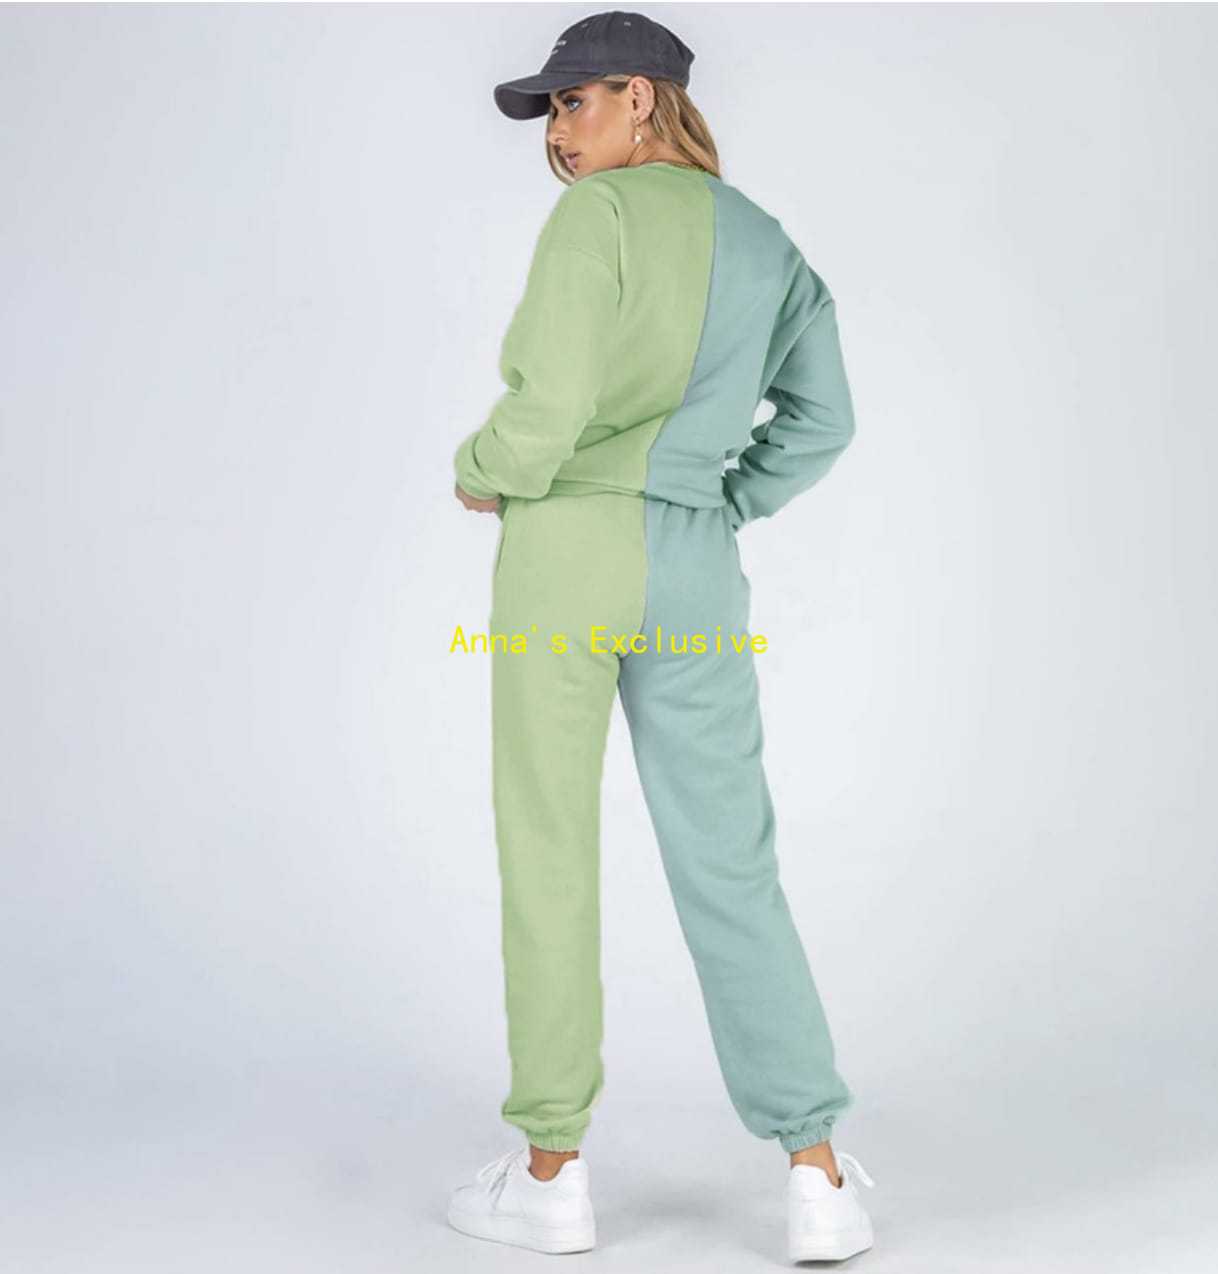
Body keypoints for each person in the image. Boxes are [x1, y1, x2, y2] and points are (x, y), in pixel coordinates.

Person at [445, 11, 876, 1262]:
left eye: (573, 102)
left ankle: (551, 1174)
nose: (559, 135)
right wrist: (719, 498)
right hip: (695, 568)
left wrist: (482, 468)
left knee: (548, 845)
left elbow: (548, 409)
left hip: (567, 554)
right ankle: (817, 1171)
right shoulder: (767, 243)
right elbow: (825, 418)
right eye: (552, 114)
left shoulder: (598, 220)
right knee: (731, 854)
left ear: (642, 96)